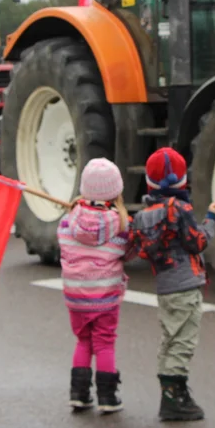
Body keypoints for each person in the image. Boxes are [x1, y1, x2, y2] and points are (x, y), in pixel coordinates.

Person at [128, 146, 215, 422]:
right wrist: (212, 219)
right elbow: (198, 242)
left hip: (165, 287)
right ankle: (174, 397)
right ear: (183, 180)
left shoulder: (144, 216)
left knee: (170, 339)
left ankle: (172, 391)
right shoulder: (181, 209)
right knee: (183, 342)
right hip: (186, 285)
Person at [58, 158, 132, 413]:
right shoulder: (121, 224)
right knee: (104, 343)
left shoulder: (67, 222)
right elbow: (127, 252)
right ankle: (108, 397)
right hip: (105, 297)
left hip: (76, 296)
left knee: (83, 340)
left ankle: (79, 393)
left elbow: (65, 245)